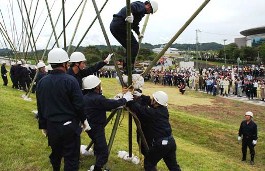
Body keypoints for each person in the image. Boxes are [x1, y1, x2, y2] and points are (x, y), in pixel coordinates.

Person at [36, 48, 90, 171]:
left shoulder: (42, 82)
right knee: (71, 158)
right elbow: (79, 104)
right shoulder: (70, 80)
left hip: (52, 126)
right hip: (69, 127)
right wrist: (84, 120)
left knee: (56, 153)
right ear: (65, 64)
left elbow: (40, 105)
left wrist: (43, 125)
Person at [82, 75, 133, 171]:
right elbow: (108, 104)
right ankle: (97, 168)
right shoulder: (97, 98)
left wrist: (118, 98)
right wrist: (125, 99)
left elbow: (104, 104)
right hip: (96, 127)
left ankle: (97, 163)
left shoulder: (87, 97)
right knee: (104, 151)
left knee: (98, 146)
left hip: (90, 126)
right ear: (96, 87)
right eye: (99, 85)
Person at [127, 91, 181, 171]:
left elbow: (139, 109)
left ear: (156, 101)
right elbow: (150, 101)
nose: (151, 99)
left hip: (161, 144)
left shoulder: (153, 113)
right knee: (173, 166)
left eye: (153, 99)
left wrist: (129, 100)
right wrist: (141, 96)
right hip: (170, 142)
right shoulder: (163, 110)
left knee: (149, 164)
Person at [110, 1, 158, 71]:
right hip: (120, 25)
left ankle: (126, 67)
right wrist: (129, 15)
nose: (149, 13)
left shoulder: (141, 13)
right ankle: (129, 67)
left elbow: (135, 25)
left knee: (130, 48)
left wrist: (138, 33)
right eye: (150, 11)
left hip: (116, 26)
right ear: (148, 5)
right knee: (134, 46)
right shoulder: (140, 6)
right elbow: (129, 7)